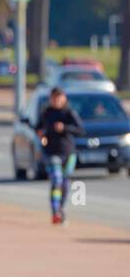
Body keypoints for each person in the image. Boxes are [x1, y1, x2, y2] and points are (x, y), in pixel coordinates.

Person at [35, 86, 85, 225]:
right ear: (51, 98)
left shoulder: (69, 113)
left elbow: (81, 130)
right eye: (54, 97)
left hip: (68, 153)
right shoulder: (47, 112)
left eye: (59, 97)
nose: (56, 100)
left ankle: (61, 209)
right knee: (56, 180)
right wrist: (40, 133)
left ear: (64, 98)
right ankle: (55, 211)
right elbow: (38, 127)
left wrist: (65, 128)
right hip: (51, 152)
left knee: (64, 183)